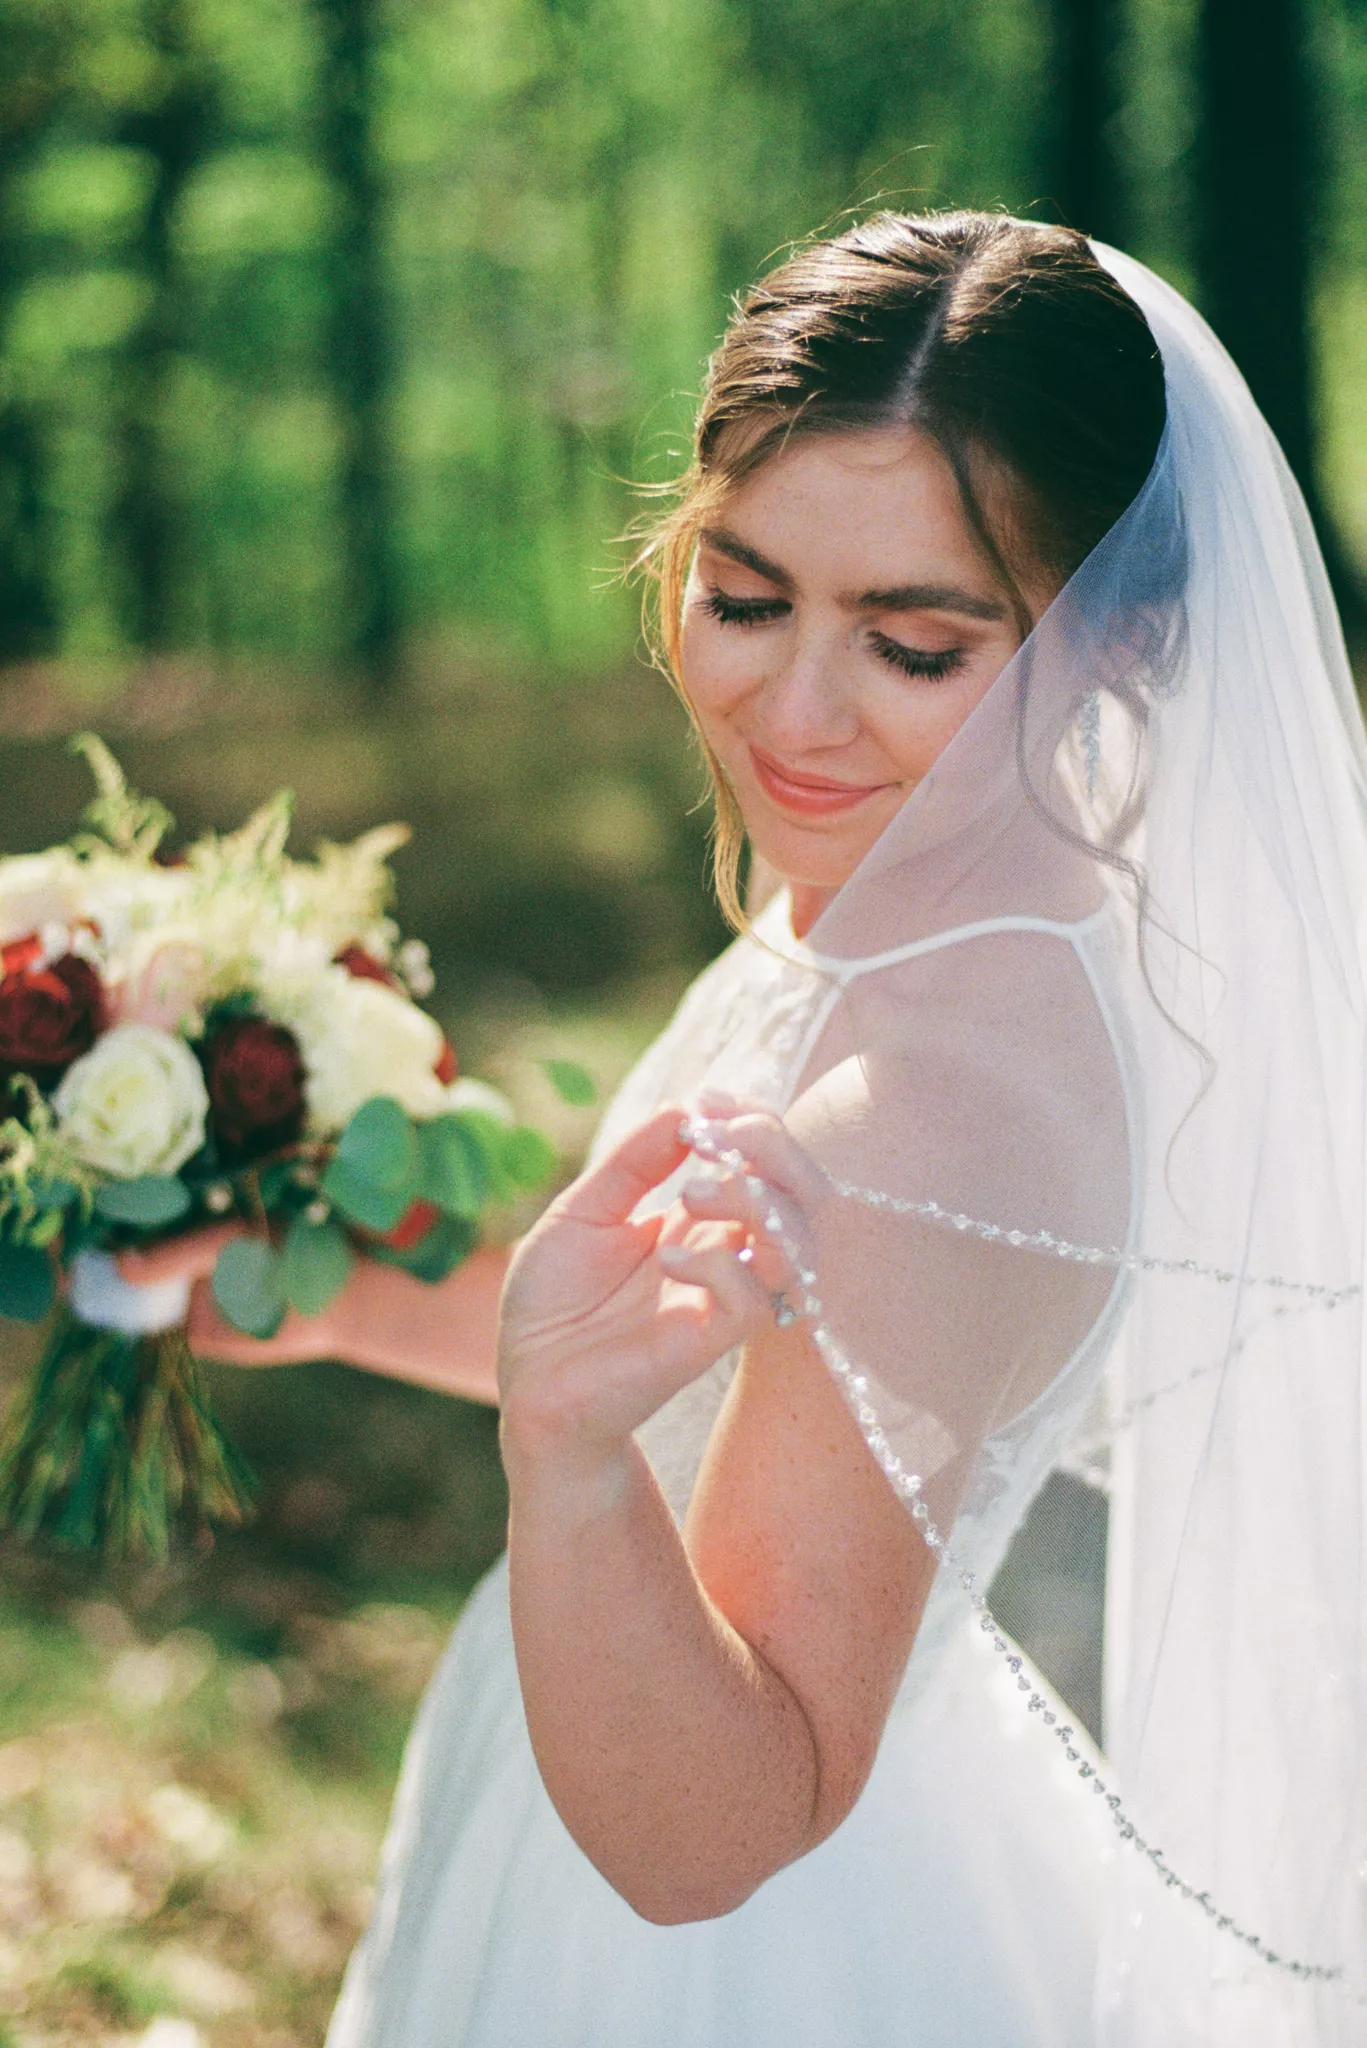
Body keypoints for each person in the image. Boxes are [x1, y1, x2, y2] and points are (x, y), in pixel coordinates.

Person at [126, 213, 1367, 2046]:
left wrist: (566, 1459)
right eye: (746, 595)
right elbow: (722, 1384)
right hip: (604, 1736)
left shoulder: (931, 1096)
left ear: (1117, 642)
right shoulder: (920, 882)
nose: (790, 712)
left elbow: (715, 1837)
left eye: (916, 645)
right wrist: (322, 1303)